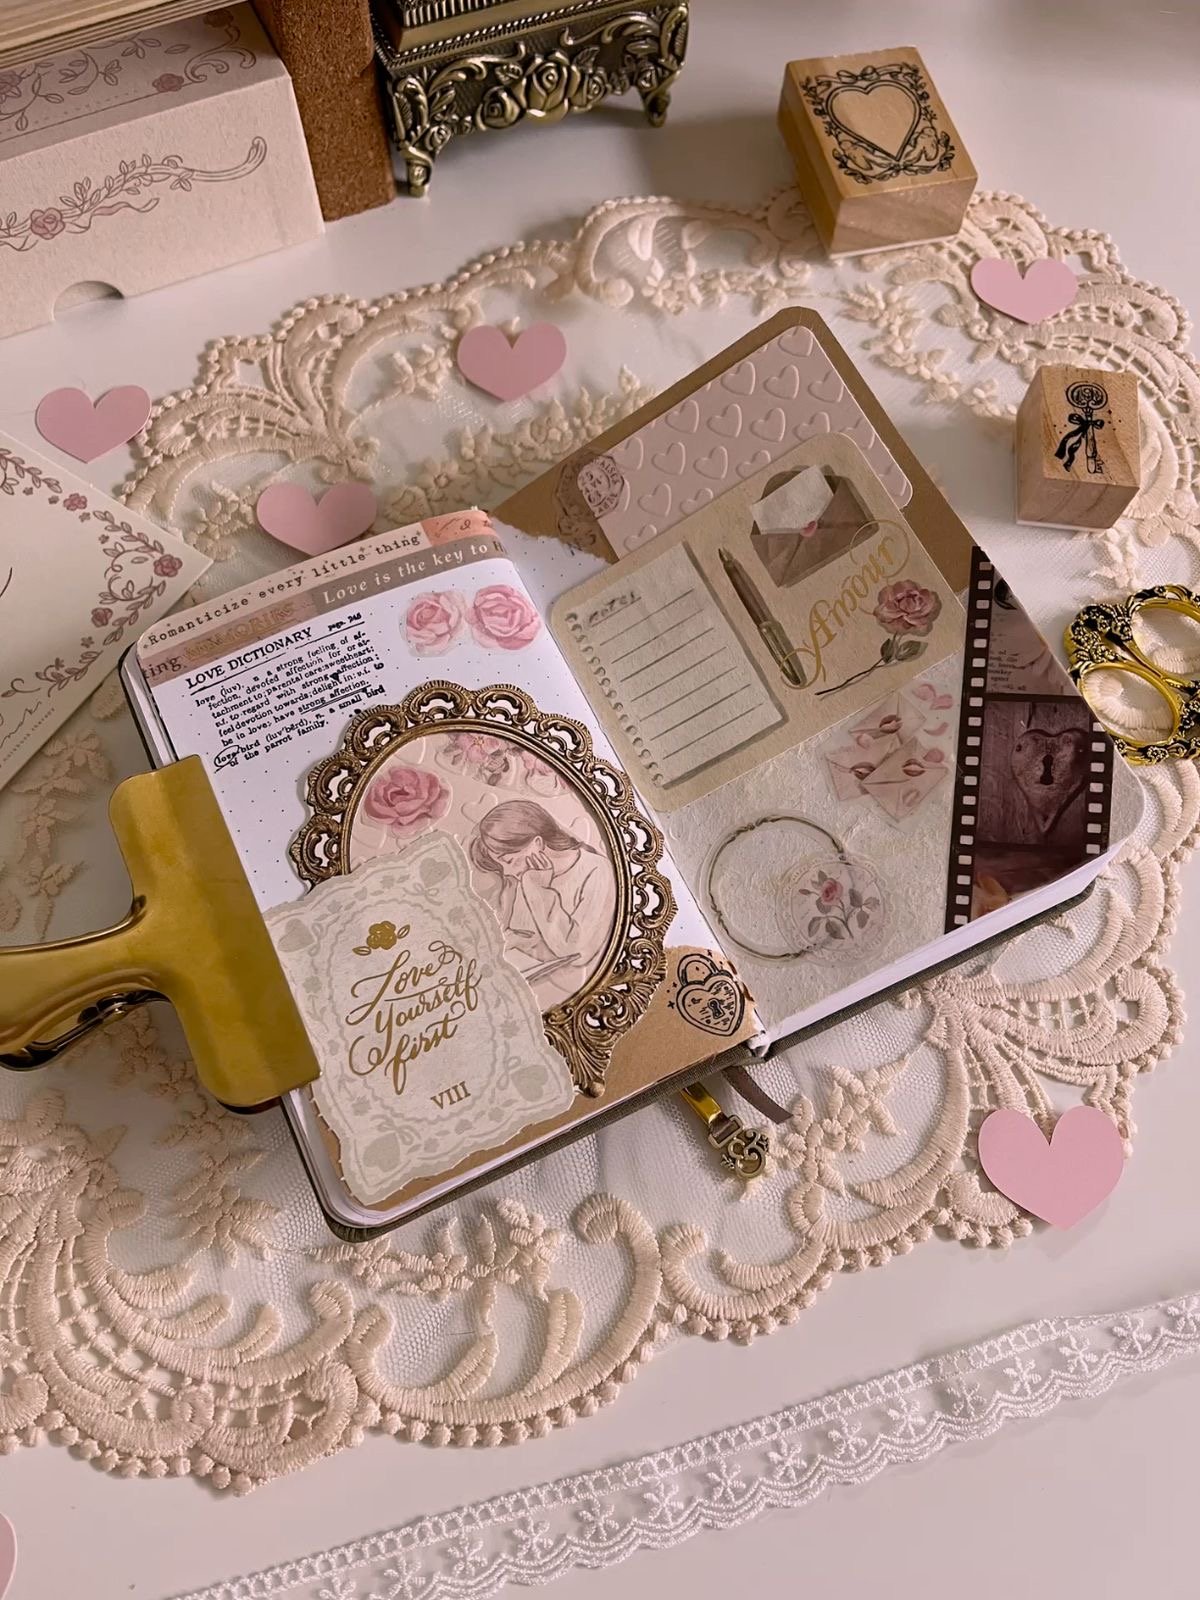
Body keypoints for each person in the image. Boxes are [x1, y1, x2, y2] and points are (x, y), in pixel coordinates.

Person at [468, 800, 616, 1006]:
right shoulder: (525, 877)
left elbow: (577, 951)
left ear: (537, 843)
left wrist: (539, 891)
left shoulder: (597, 870)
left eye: (509, 860)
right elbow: (518, 933)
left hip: (571, 996)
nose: (508, 872)